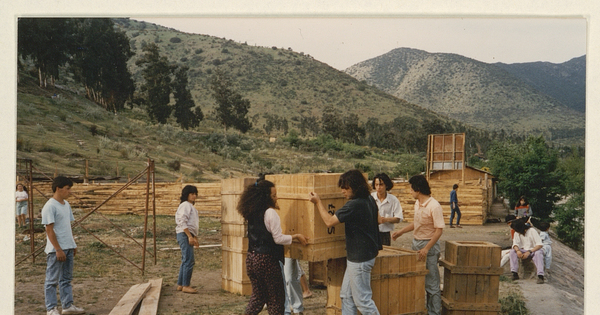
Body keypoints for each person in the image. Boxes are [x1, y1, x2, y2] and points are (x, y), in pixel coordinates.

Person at [309, 169, 381, 315]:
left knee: (363, 301)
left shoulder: (354, 205)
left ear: (355, 187)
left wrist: (318, 202)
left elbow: (329, 222)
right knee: (346, 296)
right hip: (363, 256)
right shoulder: (369, 199)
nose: (342, 191)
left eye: (346, 188)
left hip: (360, 259)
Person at [238, 179, 308, 315]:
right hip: (267, 261)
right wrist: (295, 236)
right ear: (266, 197)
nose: (276, 198)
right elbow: (278, 238)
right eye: (274, 195)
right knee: (276, 299)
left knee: (258, 297)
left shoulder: (252, 211)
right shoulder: (270, 213)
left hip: (252, 258)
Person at [392, 175, 444, 315]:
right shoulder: (417, 204)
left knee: (432, 283)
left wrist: (426, 249)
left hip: (429, 245)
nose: (410, 192)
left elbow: (439, 230)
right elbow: (418, 223)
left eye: (411, 189)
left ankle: (434, 312)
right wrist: (401, 232)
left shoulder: (434, 206)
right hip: (416, 244)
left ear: (418, 189)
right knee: (417, 280)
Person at [41, 176, 85, 315]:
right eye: (67, 189)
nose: (70, 191)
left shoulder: (66, 205)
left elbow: (67, 227)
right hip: (56, 250)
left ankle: (67, 306)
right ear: (59, 188)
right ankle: (51, 308)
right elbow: (49, 229)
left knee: (66, 279)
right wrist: (58, 249)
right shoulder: (50, 206)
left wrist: (72, 244)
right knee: (52, 280)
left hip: (68, 247)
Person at [175, 185, 200, 294]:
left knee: (185, 259)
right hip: (184, 234)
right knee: (189, 260)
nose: (194, 196)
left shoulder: (190, 207)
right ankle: (186, 285)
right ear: (187, 195)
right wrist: (189, 236)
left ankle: (181, 284)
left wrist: (195, 237)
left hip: (188, 234)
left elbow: (192, 224)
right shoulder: (185, 205)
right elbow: (182, 221)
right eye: (192, 194)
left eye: (195, 194)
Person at [509, 219, 545, 284]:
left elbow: (539, 245)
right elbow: (515, 244)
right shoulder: (517, 233)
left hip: (533, 250)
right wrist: (518, 251)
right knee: (512, 252)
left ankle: (540, 276)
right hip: (523, 250)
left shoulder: (532, 231)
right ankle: (514, 273)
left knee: (538, 253)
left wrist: (529, 252)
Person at [371, 173, 403, 245]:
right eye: (376, 185)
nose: (378, 187)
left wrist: (385, 220)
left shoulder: (393, 200)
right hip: (372, 233)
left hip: (385, 234)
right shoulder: (370, 198)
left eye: (381, 184)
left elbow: (398, 218)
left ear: (386, 185)